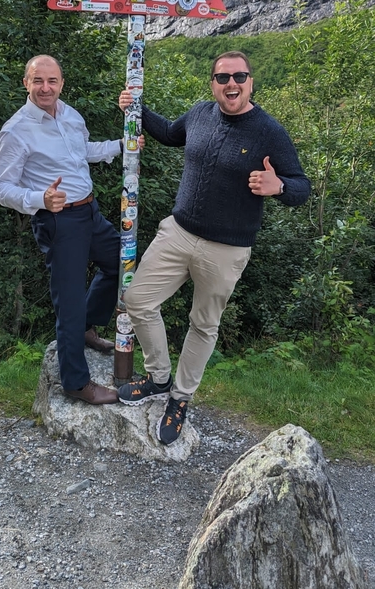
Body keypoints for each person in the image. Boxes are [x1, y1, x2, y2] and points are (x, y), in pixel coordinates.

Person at [117, 51, 310, 445]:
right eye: (222, 78)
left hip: (227, 249)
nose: (231, 84)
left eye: (239, 76)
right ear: (213, 84)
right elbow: (171, 134)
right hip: (178, 232)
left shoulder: (269, 131)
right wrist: (136, 107)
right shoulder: (200, 113)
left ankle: (181, 398)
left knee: (203, 325)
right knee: (137, 300)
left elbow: (301, 186)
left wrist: (281, 187)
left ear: (251, 82)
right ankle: (158, 378)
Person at [0, 54, 124, 405]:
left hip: (89, 212)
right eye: (38, 81)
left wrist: (122, 147)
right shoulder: (15, 130)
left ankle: (86, 328)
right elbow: (0, 188)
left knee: (121, 263)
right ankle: (76, 383)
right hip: (58, 219)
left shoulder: (70, 115)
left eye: (52, 81)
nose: (45, 87)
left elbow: (82, 153)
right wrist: (39, 199)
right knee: (69, 302)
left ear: (62, 83)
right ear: (26, 83)